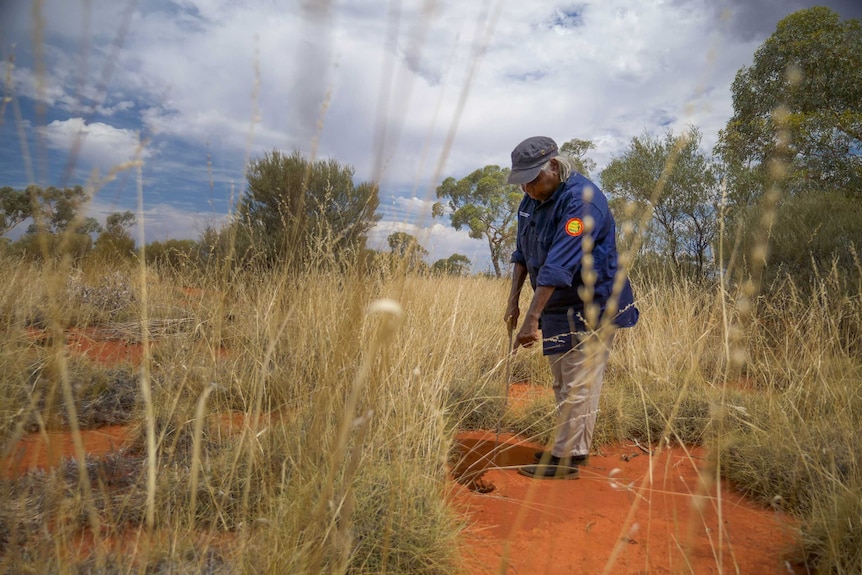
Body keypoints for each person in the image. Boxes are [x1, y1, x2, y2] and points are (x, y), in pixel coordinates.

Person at [504, 136, 639, 479]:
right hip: (556, 304)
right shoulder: (530, 201)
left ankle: (565, 458)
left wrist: (531, 319)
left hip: (591, 304)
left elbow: (557, 265)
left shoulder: (581, 201)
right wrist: (513, 301)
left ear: (554, 166)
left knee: (580, 380)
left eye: (533, 179)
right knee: (563, 380)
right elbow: (522, 253)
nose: (528, 188)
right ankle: (573, 448)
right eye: (522, 181)